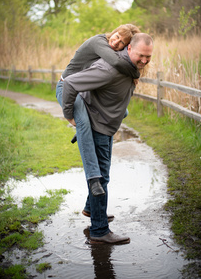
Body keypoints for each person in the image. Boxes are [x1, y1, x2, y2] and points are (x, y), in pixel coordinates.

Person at [61, 33, 153, 244]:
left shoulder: (128, 68)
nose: (145, 61)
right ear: (129, 49)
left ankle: (91, 209)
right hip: (97, 127)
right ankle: (100, 230)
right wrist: (69, 115)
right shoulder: (110, 69)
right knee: (101, 178)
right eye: (141, 55)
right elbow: (70, 83)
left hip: (106, 126)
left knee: (103, 177)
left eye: (149, 57)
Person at [56, 24, 140, 202]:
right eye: (116, 36)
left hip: (82, 89)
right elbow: (117, 63)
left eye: (121, 43)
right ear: (113, 31)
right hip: (67, 86)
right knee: (84, 124)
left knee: (121, 112)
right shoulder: (99, 41)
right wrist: (69, 115)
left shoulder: (114, 49)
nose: (116, 42)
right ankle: (93, 178)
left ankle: (91, 205)